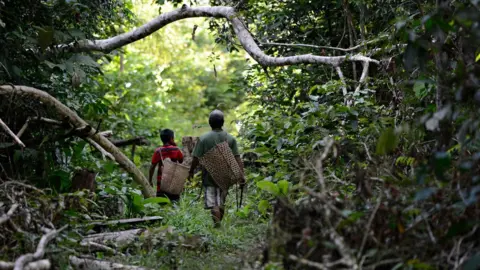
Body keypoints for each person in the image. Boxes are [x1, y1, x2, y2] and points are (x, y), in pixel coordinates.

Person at [189, 110, 245, 227]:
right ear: (223, 122)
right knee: (221, 201)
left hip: (210, 175)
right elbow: (237, 158)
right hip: (226, 175)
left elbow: (195, 158)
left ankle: (217, 226)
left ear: (210, 123)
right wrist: (241, 175)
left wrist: (191, 171)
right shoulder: (230, 138)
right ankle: (219, 224)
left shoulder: (203, 139)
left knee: (214, 203)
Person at [149, 129, 184, 202]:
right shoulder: (176, 149)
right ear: (171, 138)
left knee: (161, 205)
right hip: (173, 184)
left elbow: (152, 167)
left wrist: (150, 180)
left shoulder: (158, 151)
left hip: (161, 185)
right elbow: (181, 161)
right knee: (174, 204)